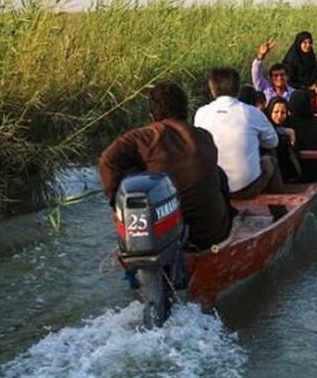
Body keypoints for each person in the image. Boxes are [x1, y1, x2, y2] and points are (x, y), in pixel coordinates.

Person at [98, 81, 232, 250]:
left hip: (165, 239)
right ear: (185, 110)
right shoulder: (205, 137)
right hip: (212, 235)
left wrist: (118, 208)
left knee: (133, 176)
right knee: (219, 173)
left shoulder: (144, 137)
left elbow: (106, 161)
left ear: (152, 115)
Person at [193, 67, 279, 199]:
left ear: (212, 90)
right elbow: (273, 142)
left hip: (214, 187)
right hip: (245, 188)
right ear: (238, 89)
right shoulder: (251, 112)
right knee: (270, 160)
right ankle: (280, 213)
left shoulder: (201, 113)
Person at [265, 97, 302, 181]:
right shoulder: (264, 125)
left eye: (283, 112)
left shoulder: (291, 125)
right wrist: (282, 131)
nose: (279, 116)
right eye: (276, 112)